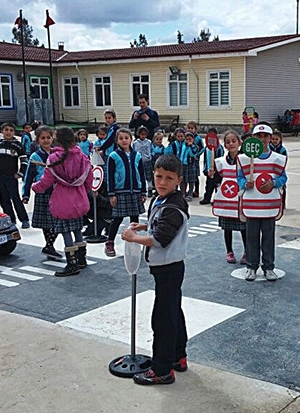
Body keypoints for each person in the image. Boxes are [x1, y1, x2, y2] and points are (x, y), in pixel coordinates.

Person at [121, 154, 189, 385]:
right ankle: (178, 357)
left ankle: (161, 370)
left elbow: (160, 239)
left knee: (162, 319)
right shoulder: (162, 199)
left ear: (178, 180)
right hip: (165, 268)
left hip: (169, 268)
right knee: (173, 312)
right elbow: (157, 223)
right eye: (159, 176)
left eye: (169, 178)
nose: (162, 182)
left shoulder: (173, 207)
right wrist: (144, 225)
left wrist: (134, 237)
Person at [32, 127, 92, 277]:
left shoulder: (54, 158)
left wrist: (35, 187)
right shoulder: (82, 156)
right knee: (77, 228)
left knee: (65, 231)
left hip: (62, 199)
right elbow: (89, 178)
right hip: (79, 197)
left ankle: (71, 264)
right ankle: (81, 259)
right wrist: (85, 190)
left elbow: (46, 181)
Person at [237, 122, 287, 282]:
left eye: (266, 136)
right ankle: (251, 266)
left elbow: (283, 177)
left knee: (268, 237)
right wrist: (245, 184)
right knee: (251, 237)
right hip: (252, 205)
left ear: (271, 138)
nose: (263, 139)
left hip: (269, 206)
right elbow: (239, 178)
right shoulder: (245, 159)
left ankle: (269, 266)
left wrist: (274, 182)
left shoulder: (277, 159)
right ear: (253, 138)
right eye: (259, 136)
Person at [104, 128, 147, 257]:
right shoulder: (113, 156)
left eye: (126, 138)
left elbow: (141, 174)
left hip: (135, 192)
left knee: (134, 219)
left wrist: (143, 192)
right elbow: (110, 176)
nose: (124, 140)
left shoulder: (137, 156)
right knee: (117, 218)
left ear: (131, 139)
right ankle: (110, 243)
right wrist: (112, 194)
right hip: (120, 192)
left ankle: (134, 241)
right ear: (117, 141)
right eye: (121, 138)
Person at [22, 125, 61, 260]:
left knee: (58, 221)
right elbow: (29, 176)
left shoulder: (57, 154)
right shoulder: (35, 156)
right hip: (43, 191)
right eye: (42, 138)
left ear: (52, 138)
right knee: (47, 223)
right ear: (37, 140)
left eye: (48, 137)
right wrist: (25, 194)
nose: (46, 140)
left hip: (58, 192)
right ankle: (49, 246)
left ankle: (49, 246)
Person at [211, 130, 246, 264]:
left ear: (239, 142)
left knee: (244, 229)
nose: (231, 144)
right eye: (228, 142)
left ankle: (246, 252)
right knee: (227, 228)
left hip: (240, 200)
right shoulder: (219, 162)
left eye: (233, 141)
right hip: (226, 201)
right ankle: (229, 251)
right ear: (224, 145)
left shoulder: (247, 160)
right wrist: (212, 175)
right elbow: (217, 181)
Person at [199, 127, 225, 205]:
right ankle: (207, 198)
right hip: (208, 170)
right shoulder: (207, 148)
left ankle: (217, 199)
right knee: (208, 185)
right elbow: (205, 159)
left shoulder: (219, 147)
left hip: (216, 171)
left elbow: (221, 159)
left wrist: (218, 169)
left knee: (216, 186)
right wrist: (205, 169)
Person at [132, 125, 153, 196]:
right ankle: (140, 189)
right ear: (138, 134)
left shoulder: (149, 142)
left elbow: (152, 150)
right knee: (140, 175)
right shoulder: (135, 143)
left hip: (147, 161)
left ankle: (150, 189)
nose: (143, 136)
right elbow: (133, 151)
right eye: (141, 134)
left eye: (144, 134)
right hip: (138, 161)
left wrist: (150, 157)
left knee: (149, 176)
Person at [180, 132, 201, 201]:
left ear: (193, 139)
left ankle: (190, 194)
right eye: (187, 139)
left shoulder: (195, 147)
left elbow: (193, 154)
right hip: (183, 165)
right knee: (182, 180)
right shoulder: (183, 145)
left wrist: (190, 146)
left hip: (191, 165)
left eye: (190, 139)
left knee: (191, 181)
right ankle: (183, 193)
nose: (188, 140)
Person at [186, 121, 205, 198]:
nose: (190, 129)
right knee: (187, 175)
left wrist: (197, 155)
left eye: (192, 128)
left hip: (195, 160)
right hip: (187, 160)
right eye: (188, 128)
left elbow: (202, 148)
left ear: (195, 129)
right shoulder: (186, 137)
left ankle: (196, 191)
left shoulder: (198, 138)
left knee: (195, 175)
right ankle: (189, 190)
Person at [150, 131, 166, 197]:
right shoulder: (151, 146)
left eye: (160, 139)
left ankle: (157, 190)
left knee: (158, 176)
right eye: (157, 139)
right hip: (152, 162)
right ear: (154, 139)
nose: (159, 141)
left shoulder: (163, 148)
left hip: (159, 163)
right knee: (151, 176)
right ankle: (152, 187)